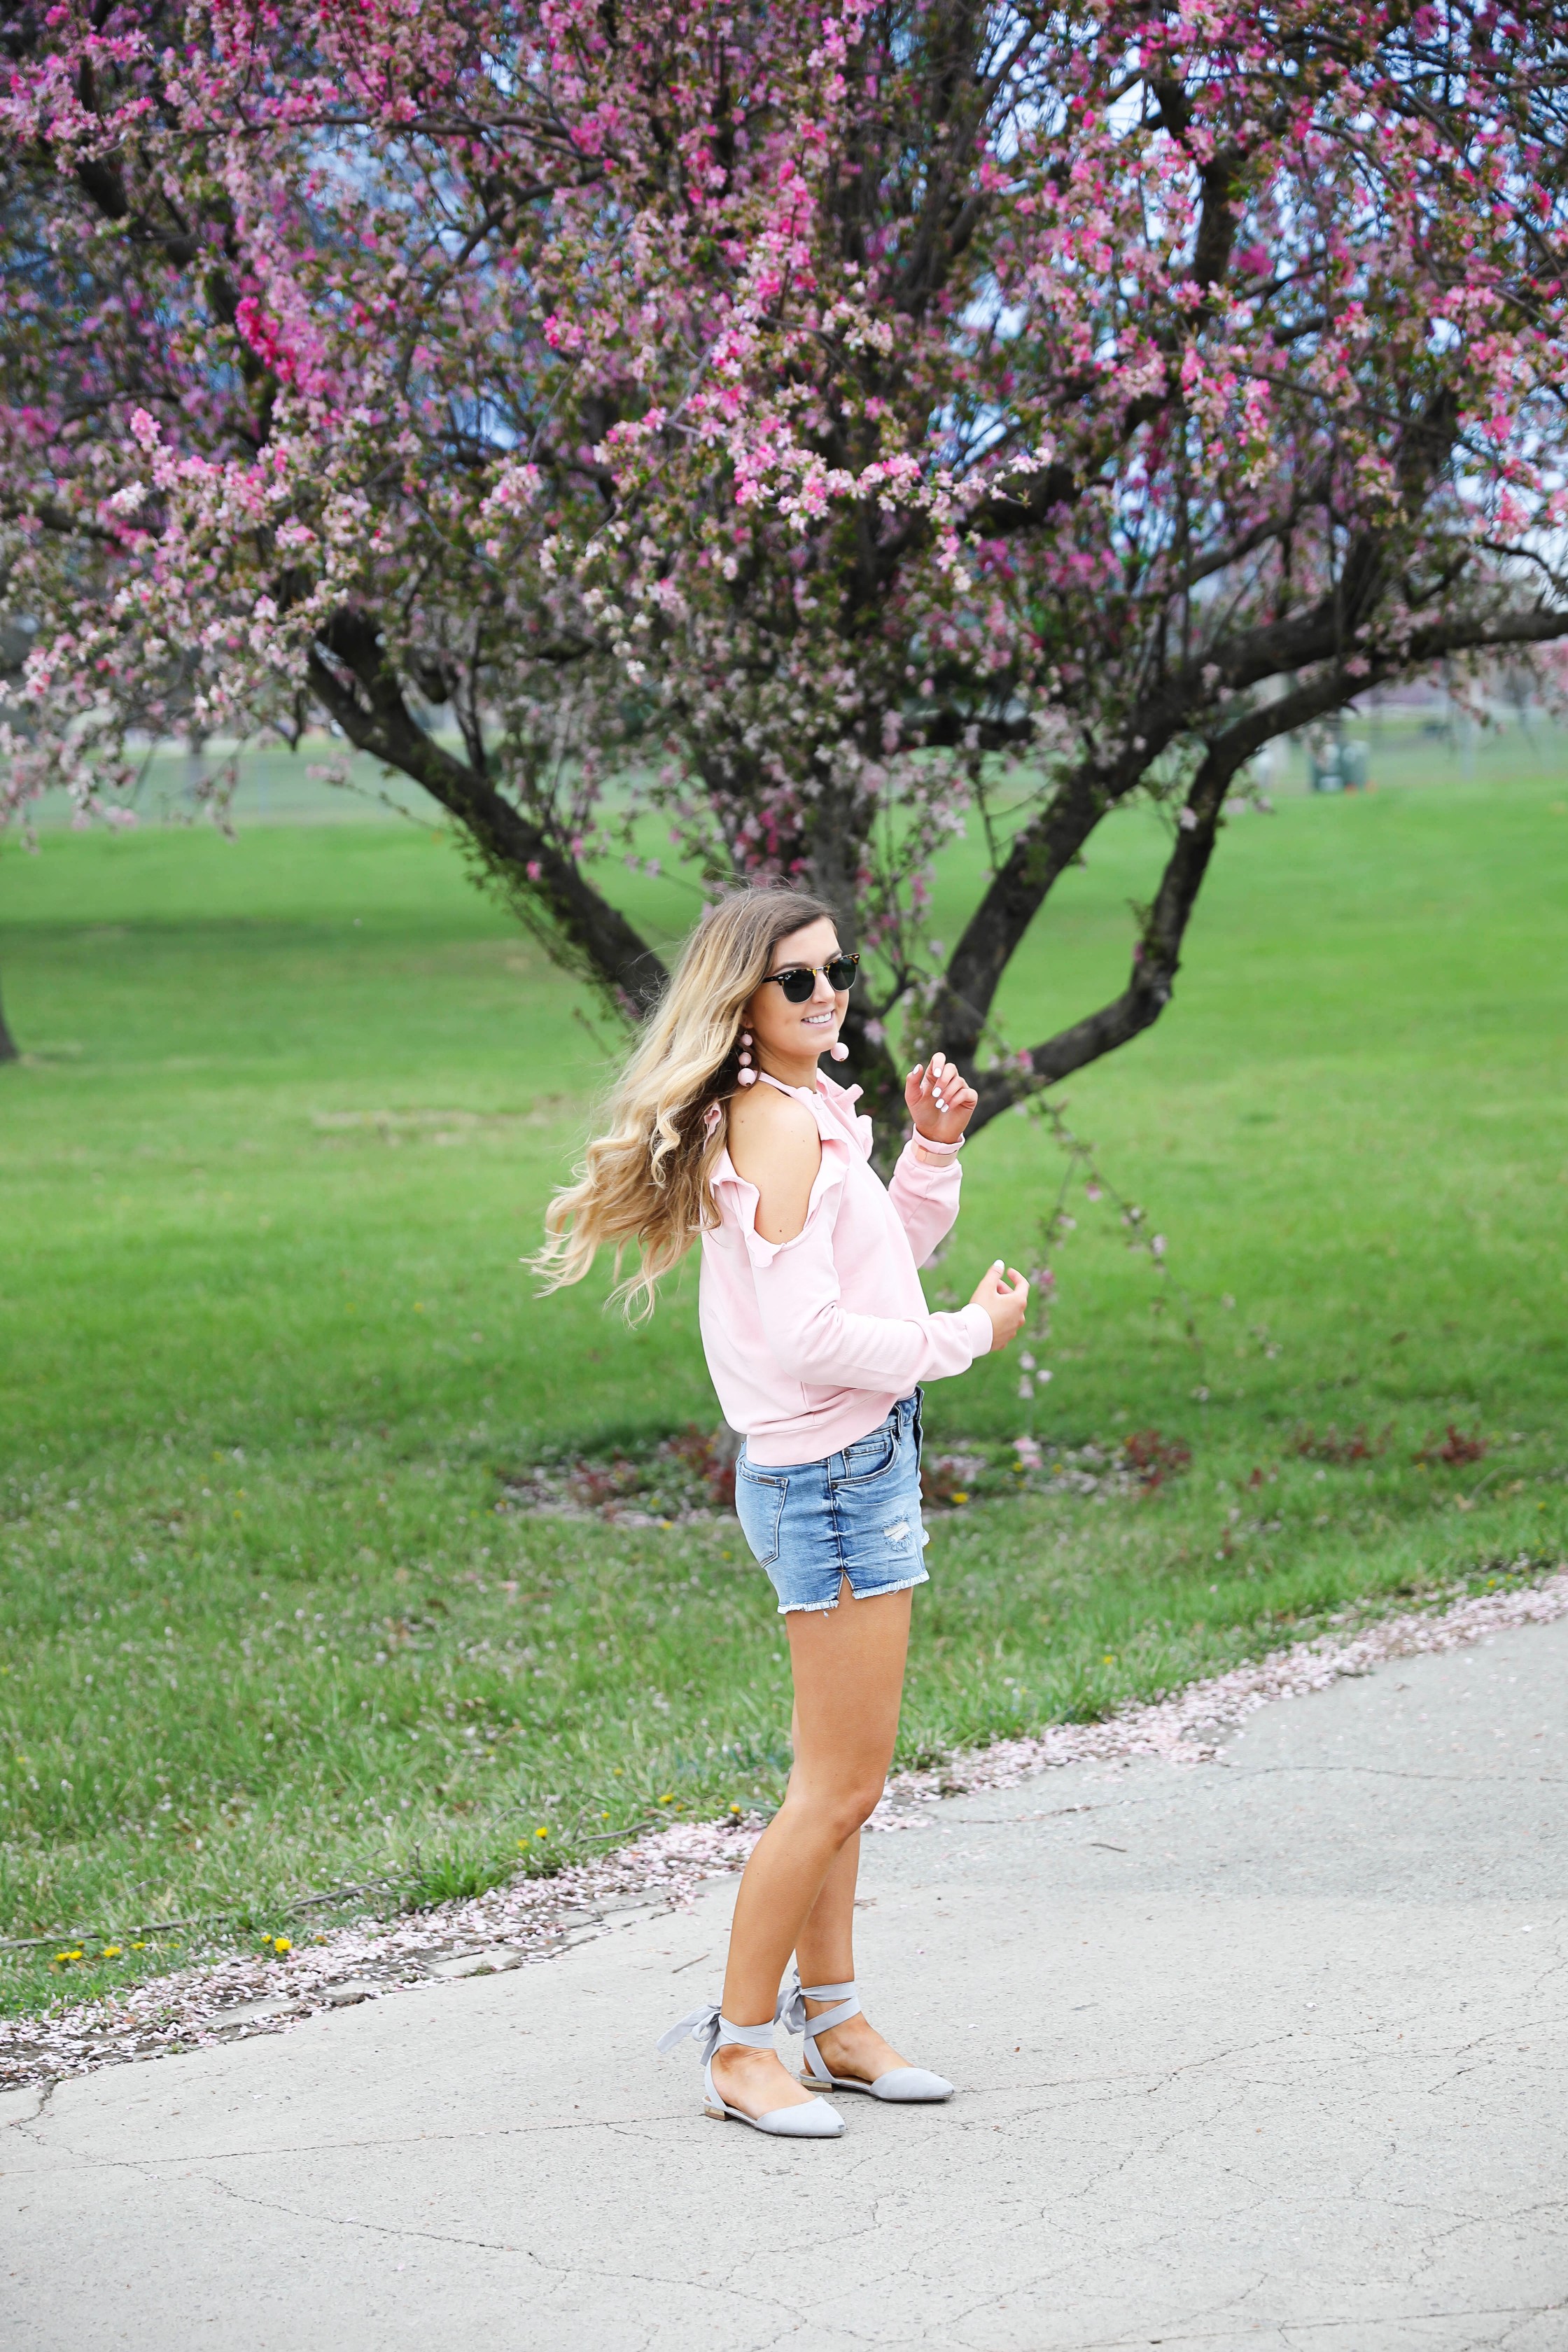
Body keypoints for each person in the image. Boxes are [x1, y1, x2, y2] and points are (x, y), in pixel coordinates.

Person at [535, 886, 1028, 2137]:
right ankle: (744, 2046)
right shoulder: (775, 1127)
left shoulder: (803, 1111)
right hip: (831, 1477)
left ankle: (838, 2020)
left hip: (847, 1462)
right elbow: (814, 1339)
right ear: (742, 1001)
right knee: (836, 1787)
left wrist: (930, 1152)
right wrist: (967, 1336)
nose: (829, 995)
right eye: (796, 981)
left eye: (837, 971)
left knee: (845, 1785)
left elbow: (874, 1260)